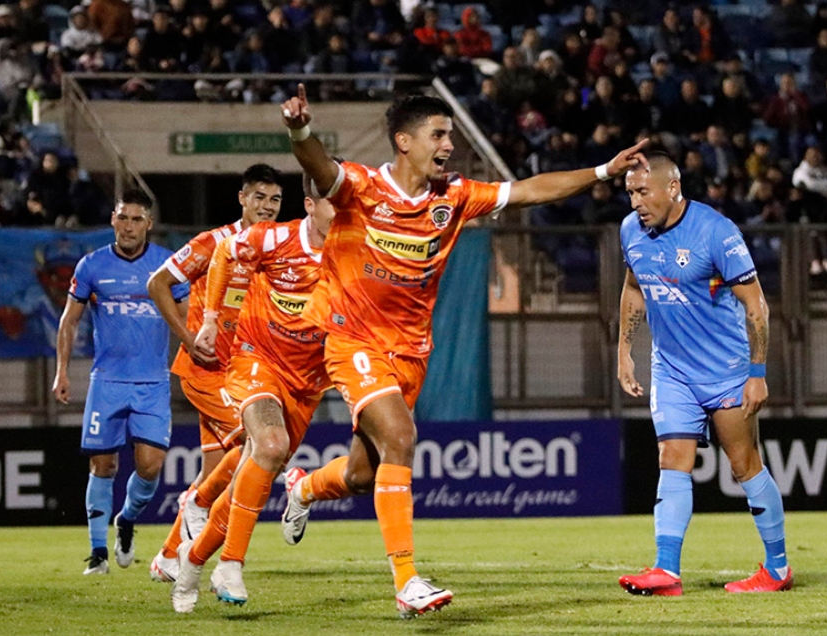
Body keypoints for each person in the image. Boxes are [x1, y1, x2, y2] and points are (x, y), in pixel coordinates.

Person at [277, 84, 649, 617]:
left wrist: (603, 171)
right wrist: (300, 131)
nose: (449, 144)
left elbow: (530, 191)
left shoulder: (453, 196)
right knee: (401, 435)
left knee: (362, 475)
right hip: (353, 339)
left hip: (411, 352)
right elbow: (318, 166)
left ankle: (305, 487)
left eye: (449, 134)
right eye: (438, 134)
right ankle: (407, 581)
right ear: (404, 141)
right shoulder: (362, 187)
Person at [615, 153, 792, 596]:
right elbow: (634, 288)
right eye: (631, 193)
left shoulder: (716, 232)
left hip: (726, 371)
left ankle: (777, 567)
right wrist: (624, 351)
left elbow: (756, 305)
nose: (636, 203)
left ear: (672, 188)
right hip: (672, 371)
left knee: (745, 464)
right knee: (672, 459)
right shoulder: (630, 231)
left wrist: (757, 373)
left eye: (643, 192)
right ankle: (666, 571)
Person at [171, 174, 334, 612]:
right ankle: (230, 562)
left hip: (308, 381)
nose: (344, 214)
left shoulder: (355, 251)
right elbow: (225, 252)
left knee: (254, 473)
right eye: (333, 204)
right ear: (310, 205)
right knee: (271, 444)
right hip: (256, 359)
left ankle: (192, 558)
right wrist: (209, 319)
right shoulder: (276, 239)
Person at [144, 164, 283, 583]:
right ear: (242, 198)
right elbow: (157, 283)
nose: (267, 206)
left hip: (242, 373)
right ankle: (200, 508)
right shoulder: (213, 243)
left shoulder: (276, 248)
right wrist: (187, 337)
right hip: (207, 372)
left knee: (216, 472)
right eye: (259, 197)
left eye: (275, 199)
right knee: (259, 444)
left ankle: (169, 557)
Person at [52, 189, 188, 576]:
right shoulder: (92, 265)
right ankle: (98, 553)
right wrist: (62, 370)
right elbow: (69, 320)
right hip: (107, 382)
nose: (128, 226)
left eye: (136, 219)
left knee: (150, 466)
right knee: (103, 464)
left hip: (152, 383)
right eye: (123, 218)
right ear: (113, 220)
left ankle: (126, 519)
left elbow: (186, 319)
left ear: (149, 224)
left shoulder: (167, 265)